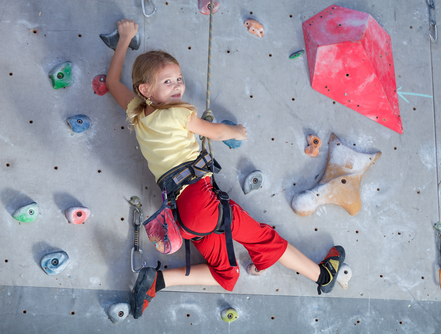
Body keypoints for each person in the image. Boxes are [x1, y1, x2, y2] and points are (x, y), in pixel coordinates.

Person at [106, 19, 346, 319]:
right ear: (145, 89)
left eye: (178, 78)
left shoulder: (138, 114)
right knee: (264, 239)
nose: (178, 85)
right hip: (200, 202)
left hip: (183, 212)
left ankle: (158, 281)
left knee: (227, 275)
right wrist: (236, 132)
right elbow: (215, 132)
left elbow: (112, 82)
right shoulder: (180, 113)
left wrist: (125, 38)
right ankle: (322, 276)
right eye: (168, 81)